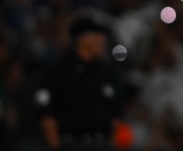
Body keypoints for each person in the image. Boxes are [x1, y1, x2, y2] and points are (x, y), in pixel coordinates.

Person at [37, 14, 130, 151]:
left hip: (102, 144)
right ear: (83, 37)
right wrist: (55, 147)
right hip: (71, 144)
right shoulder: (60, 70)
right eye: (97, 35)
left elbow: (116, 115)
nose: (102, 40)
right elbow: (47, 114)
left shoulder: (106, 72)